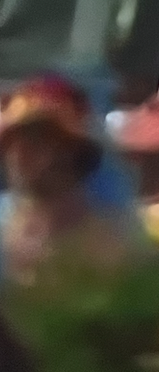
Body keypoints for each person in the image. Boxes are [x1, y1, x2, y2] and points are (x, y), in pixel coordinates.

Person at [0, 77, 143, 286]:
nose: (19, 154)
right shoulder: (5, 220)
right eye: (11, 143)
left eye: (37, 140)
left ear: (70, 153)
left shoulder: (107, 240)